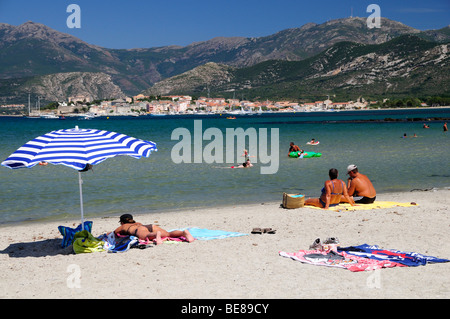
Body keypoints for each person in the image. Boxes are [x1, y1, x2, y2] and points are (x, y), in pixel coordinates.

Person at [114, 214, 194, 245]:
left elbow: (113, 233)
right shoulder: (138, 223)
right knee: (168, 234)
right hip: (149, 226)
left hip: (139, 230)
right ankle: (183, 232)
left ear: (122, 222)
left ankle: (156, 235)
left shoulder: (123, 226)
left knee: (146, 236)